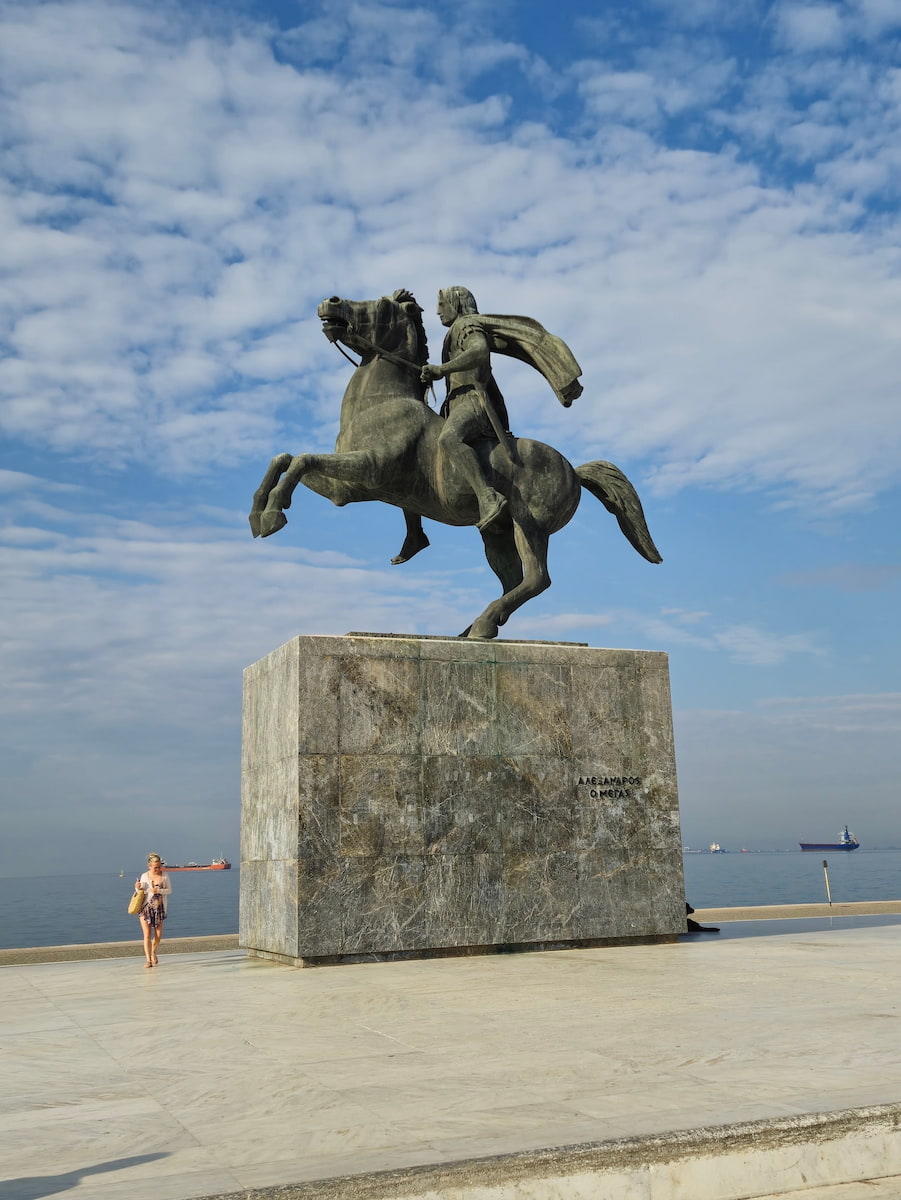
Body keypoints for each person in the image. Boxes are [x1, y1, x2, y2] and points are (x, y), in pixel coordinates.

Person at [419, 286, 511, 533]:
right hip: (457, 404)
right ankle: (415, 532)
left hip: (474, 402)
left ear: (456, 304)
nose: (437, 310)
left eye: (441, 303)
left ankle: (487, 497)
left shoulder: (466, 325)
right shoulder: (453, 332)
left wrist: (442, 369)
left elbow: (479, 350)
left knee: (448, 439)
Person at [135, 853, 172, 967]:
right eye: (155, 867)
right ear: (149, 866)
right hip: (145, 908)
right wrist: (137, 886)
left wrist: (159, 891)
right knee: (147, 935)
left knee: (158, 935)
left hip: (159, 909)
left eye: (159, 866)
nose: (157, 869)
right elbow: (140, 891)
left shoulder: (165, 875)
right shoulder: (144, 876)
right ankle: (148, 960)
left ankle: (153, 951)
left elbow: (169, 890)